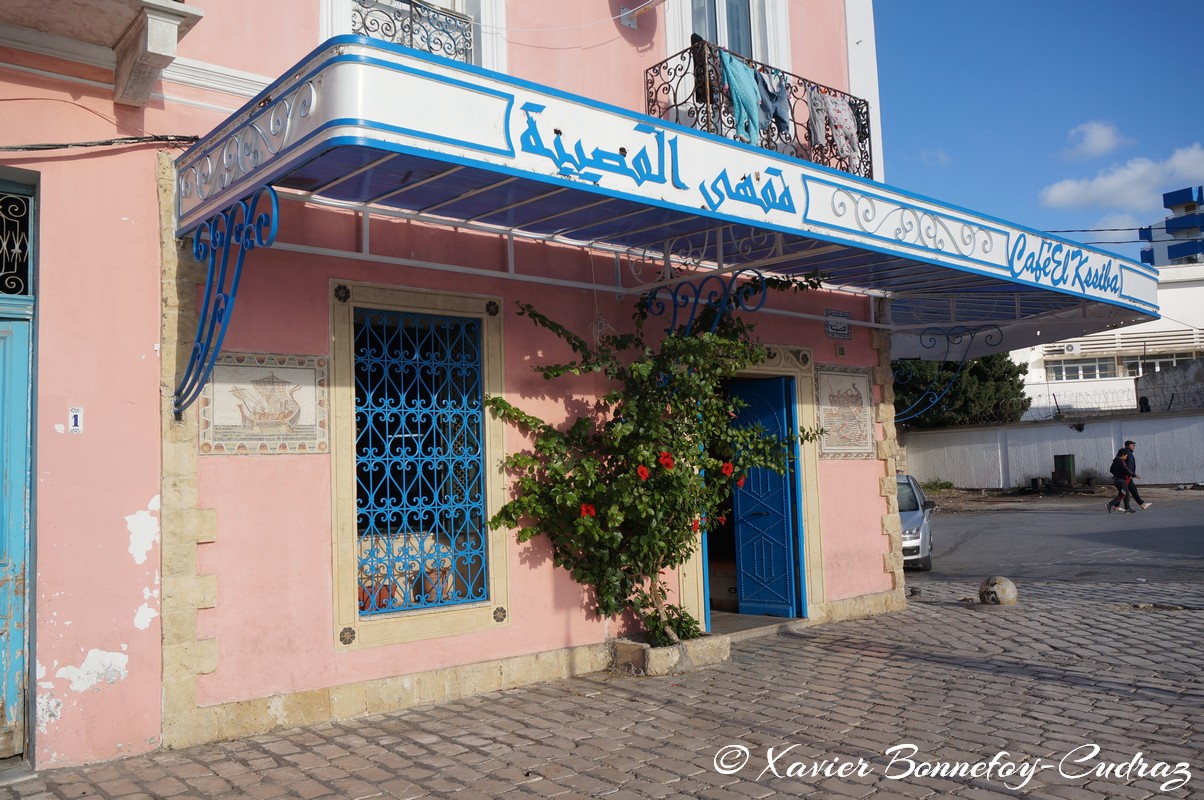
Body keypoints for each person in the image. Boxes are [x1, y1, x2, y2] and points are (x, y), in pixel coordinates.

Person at [1123, 440, 1152, 510]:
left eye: (1134, 445)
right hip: (1126, 476)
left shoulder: (1129, 453)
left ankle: (1141, 504)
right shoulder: (1126, 453)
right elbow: (1126, 466)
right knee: (1125, 492)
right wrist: (1132, 474)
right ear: (1128, 445)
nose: (1134, 447)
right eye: (1133, 445)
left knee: (1129, 491)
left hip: (1128, 476)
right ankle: (1113, 505)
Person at [1107, 448, 1136, 513]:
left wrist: (1116, 474)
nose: (1126, 457)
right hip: (1121, 481)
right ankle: (1110, 504)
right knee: (1124, 494)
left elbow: (1111, 470)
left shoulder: (1115, 461)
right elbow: (1126, 470)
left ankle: (1126, 508)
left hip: (1116, 480)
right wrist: (1134, 475)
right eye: (1126, 456)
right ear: (1123, 455)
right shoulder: (1121, 461)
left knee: (1125, 493)